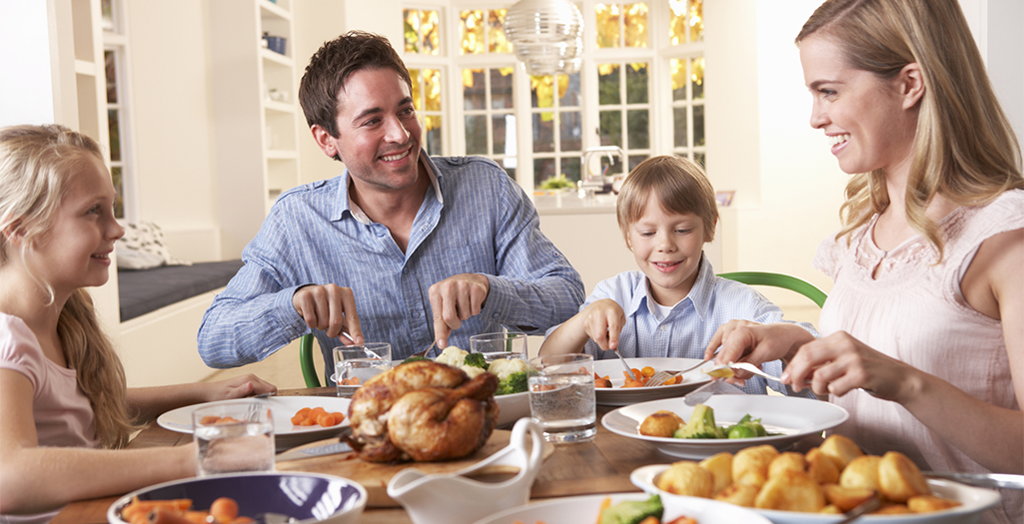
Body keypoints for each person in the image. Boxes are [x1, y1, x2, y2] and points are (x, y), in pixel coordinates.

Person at [707, 1, 1023, 522]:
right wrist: (802, 347)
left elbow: (902, 374)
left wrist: (903, 382)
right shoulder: (861, 233)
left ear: (909, 84)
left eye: (828, 91)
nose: (815, 117)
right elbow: (884, 365)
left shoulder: (1004, 235)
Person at [197, 31, 583, 372]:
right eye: (372, 121)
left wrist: (490, 290)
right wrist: (292, 305)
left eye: (406, 111)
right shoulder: (297, 219)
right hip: (372, 429)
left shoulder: (486, 186)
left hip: (486, 416)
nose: (400, 134)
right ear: (326, 140)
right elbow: (213, 340)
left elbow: (566, 295)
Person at [0, 124, 276, 522]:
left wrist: (201, 394)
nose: (116, 229)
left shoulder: (64, 318)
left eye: (112, 208)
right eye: (93, 211)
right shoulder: (8, 340)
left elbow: (78, 404)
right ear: (21, 227)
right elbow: (10, 476)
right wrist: (194, 459)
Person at [540, 155, 814, 395]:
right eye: (648, 233)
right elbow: (547, 368)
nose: (665, 245)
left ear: (709, 228)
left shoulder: (744, 308)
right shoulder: (613, 295)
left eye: (682, 230)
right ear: (628, 237)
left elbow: (814, 390)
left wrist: (785, 341)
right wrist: (583, 321)